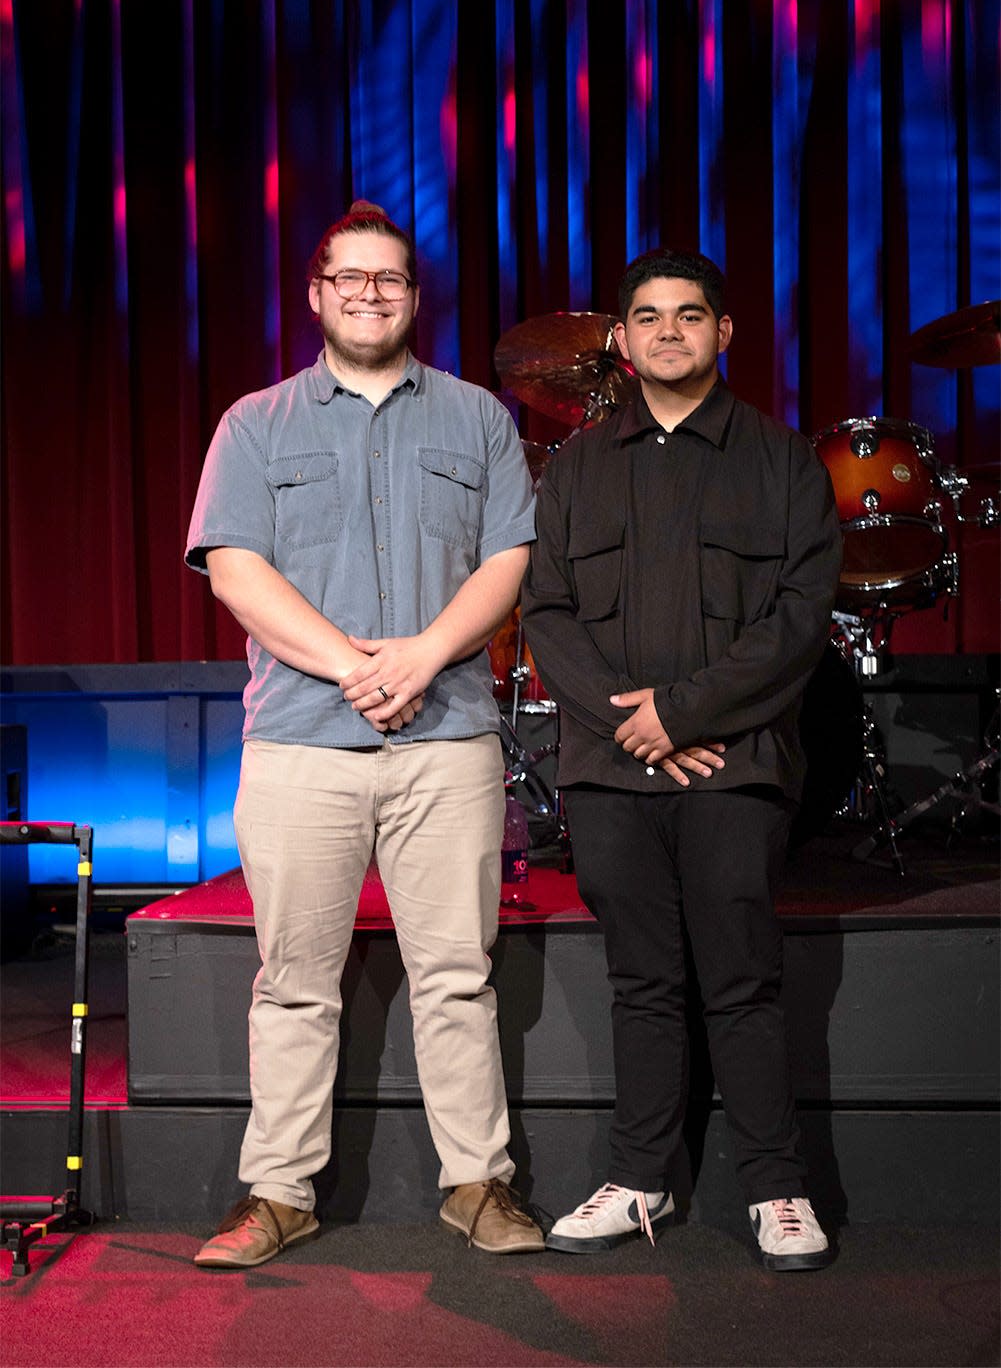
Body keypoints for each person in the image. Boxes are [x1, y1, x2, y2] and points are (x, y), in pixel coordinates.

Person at [185, 201, 543, 1267]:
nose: (369, 294)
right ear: (315, 292)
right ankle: (279, 1192)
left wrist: (424, 656)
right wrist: (356, 665)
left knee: (456, 973)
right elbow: (236, 568)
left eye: (389, 279)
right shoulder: (255, 423)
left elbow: (508, 558)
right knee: (291, 977)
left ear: (412, 296)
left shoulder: (477, 417)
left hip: (447, 740)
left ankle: (477, 1184)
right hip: (300, 740)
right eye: (350, 278)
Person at [520, 248, 842, 1271]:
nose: (668, 331)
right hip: (610, 771)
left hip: (735, 765)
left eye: (689, 314)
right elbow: (547, 613)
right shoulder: (574, 467)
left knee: (741, 980)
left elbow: (797, 620)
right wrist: (637, 723)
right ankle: (638, 1175)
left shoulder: (782, 459)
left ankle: (775, 1184)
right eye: (647, 317)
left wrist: (685, 711)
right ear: (618, 339)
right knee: (642, 980)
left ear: (723, 331)